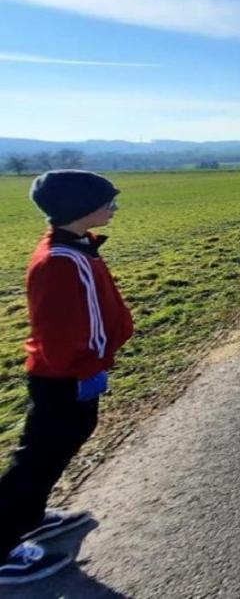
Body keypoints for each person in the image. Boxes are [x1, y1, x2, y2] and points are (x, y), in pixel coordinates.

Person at [0, 171, 134, 584]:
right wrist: (90, 367)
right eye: (107, 201)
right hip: (66, 375)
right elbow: (67, 331)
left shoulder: (75, 248)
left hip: (70, 372)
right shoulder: (62, 261)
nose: (114, 207)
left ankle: (31, 515)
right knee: (38, 459)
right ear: (81, 208)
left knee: (54, 447)